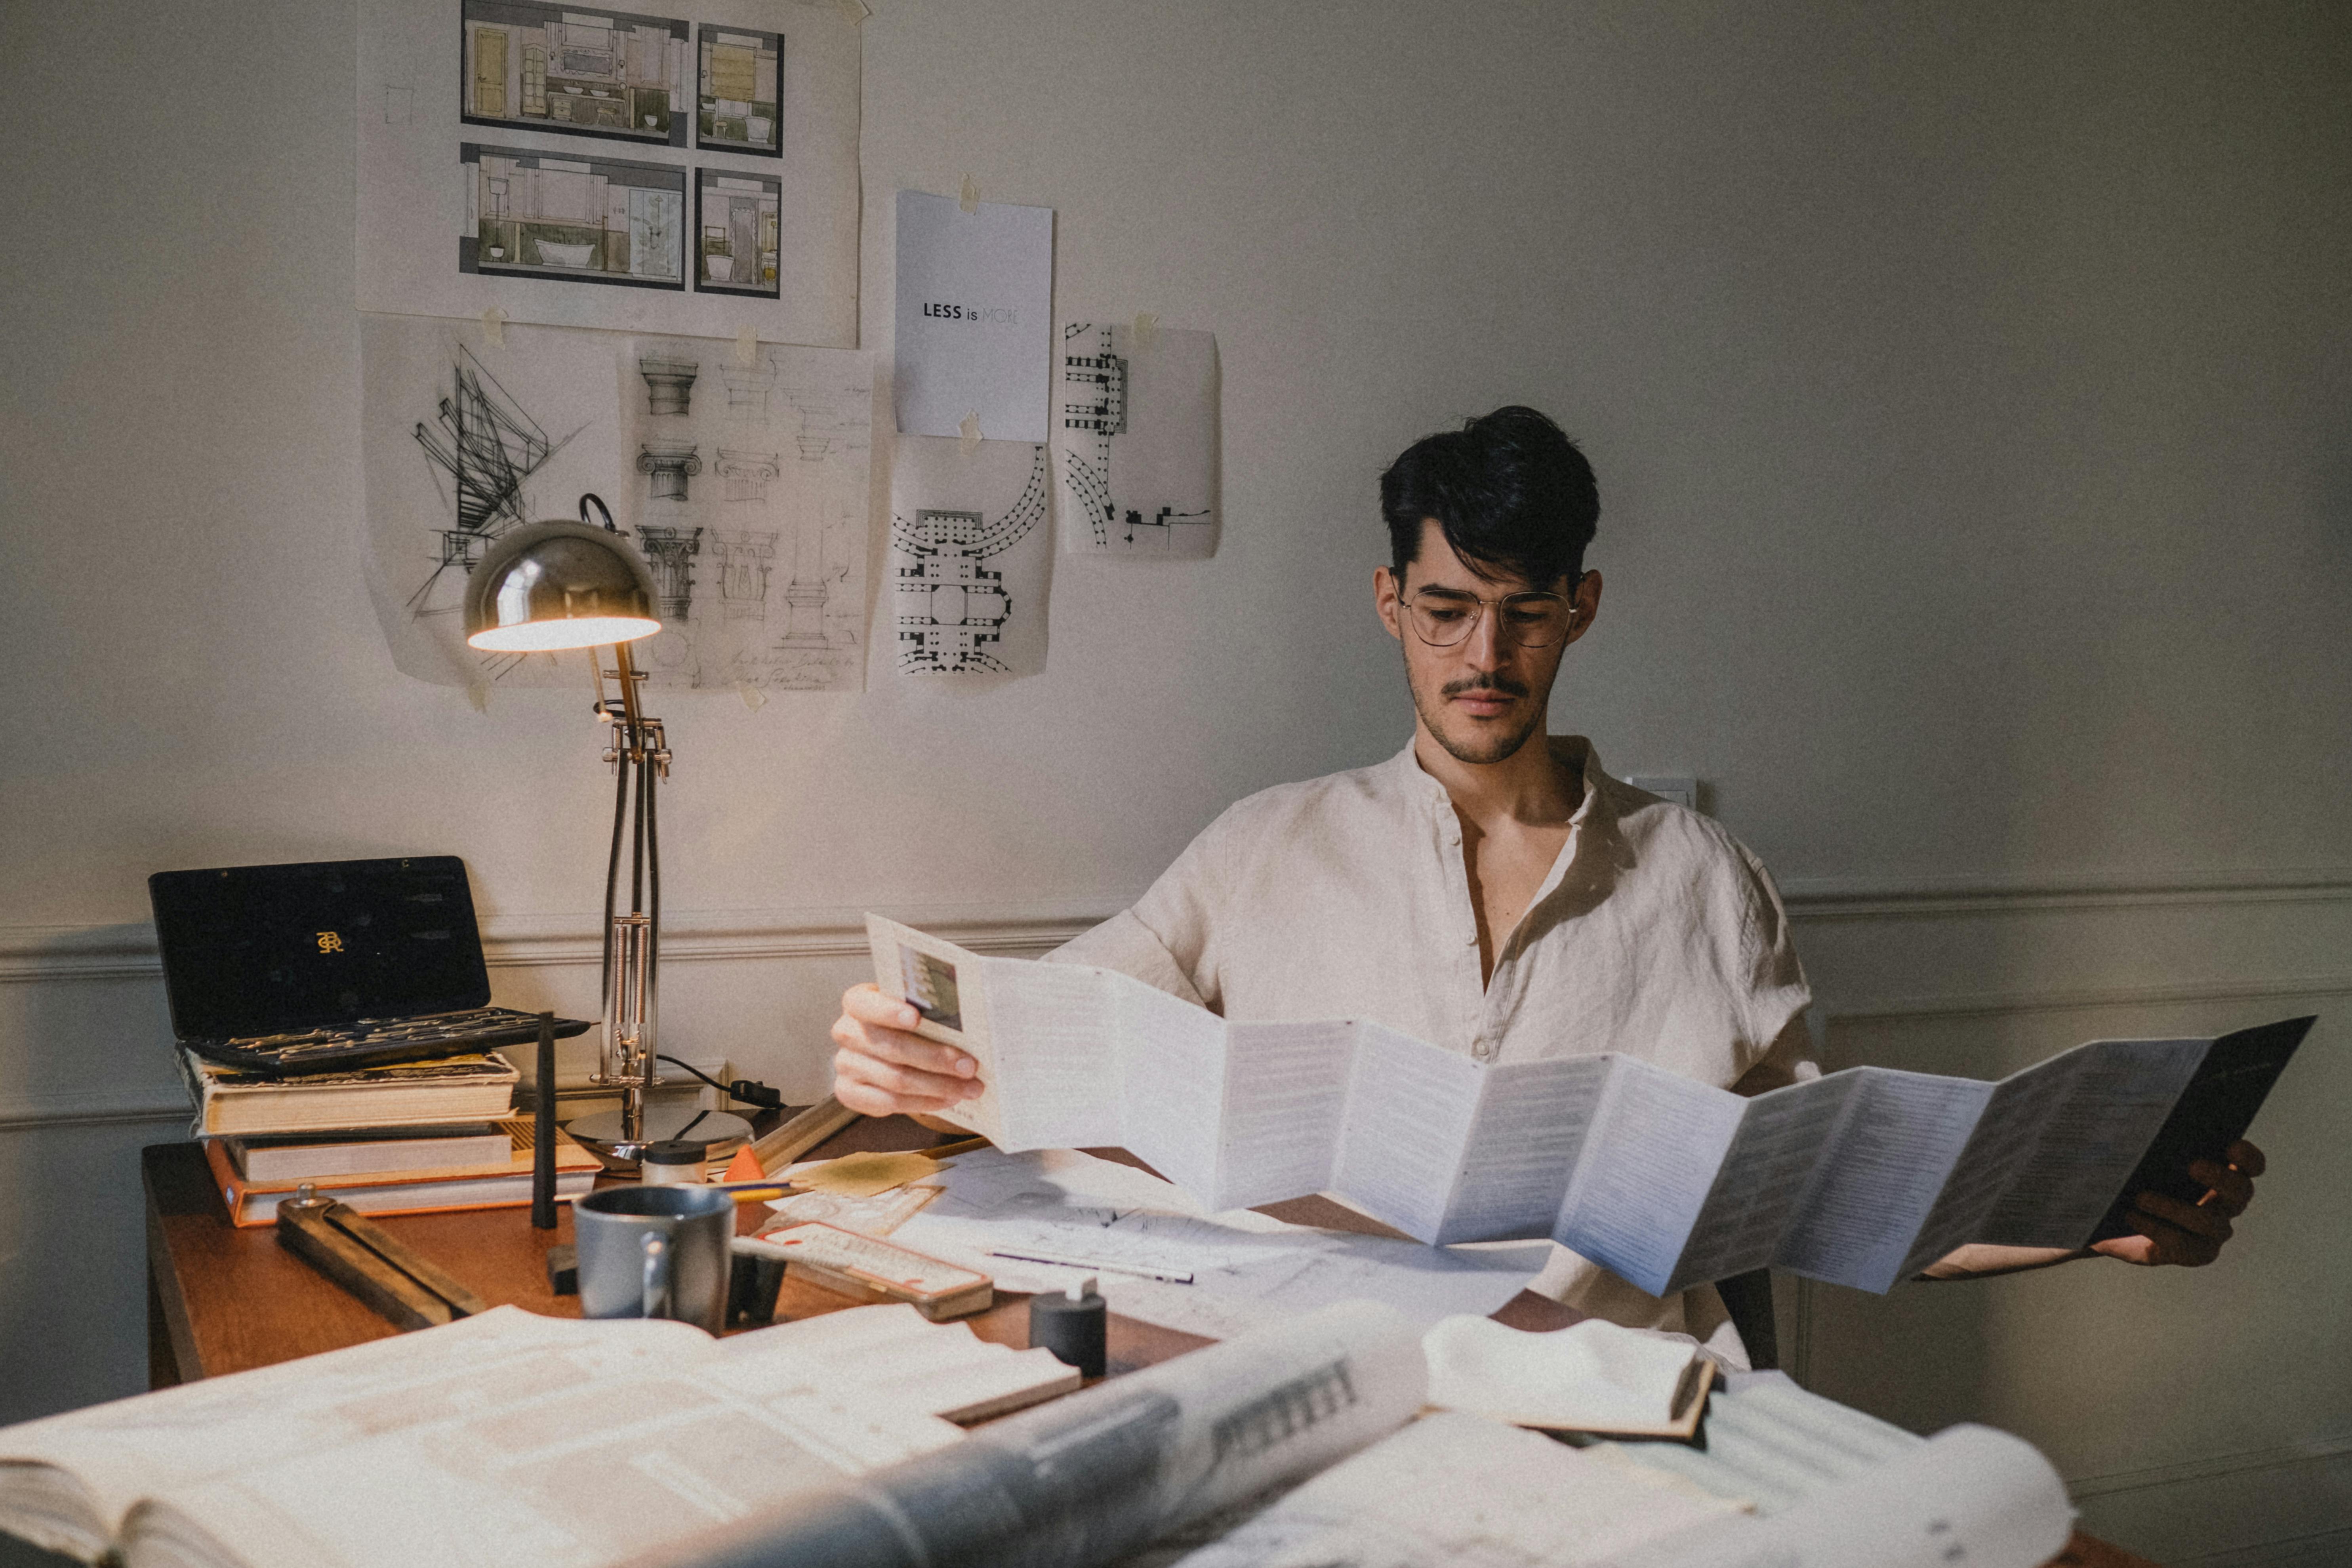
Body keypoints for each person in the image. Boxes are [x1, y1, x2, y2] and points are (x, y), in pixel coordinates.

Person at [830, 406, 2264, 1347]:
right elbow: (1042, 1034)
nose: (1482, 658)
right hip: (1325, 1393)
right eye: (1446, 610)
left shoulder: (1700, 878)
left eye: (1524, 615)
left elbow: (1829, 1191)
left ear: (1580, 608)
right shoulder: (1263, 845)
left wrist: (2093, 1216)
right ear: (1391, 602)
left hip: (1615, 1415)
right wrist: (906, 1048)